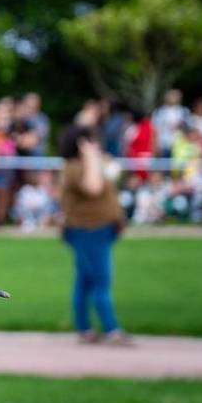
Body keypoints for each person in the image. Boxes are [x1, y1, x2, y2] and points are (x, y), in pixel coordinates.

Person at [58, 125, 130, 345]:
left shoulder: (87, 164)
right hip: (88, 230)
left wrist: (96, 158)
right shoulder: (76, 167)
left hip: (97, 230)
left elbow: (115, 173)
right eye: (92, 141)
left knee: (86, 281)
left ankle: (85, 329)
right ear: (82, 144)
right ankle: (111, 329)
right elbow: (93, 187)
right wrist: (90, 156)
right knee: (100, 280)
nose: (97, 144)